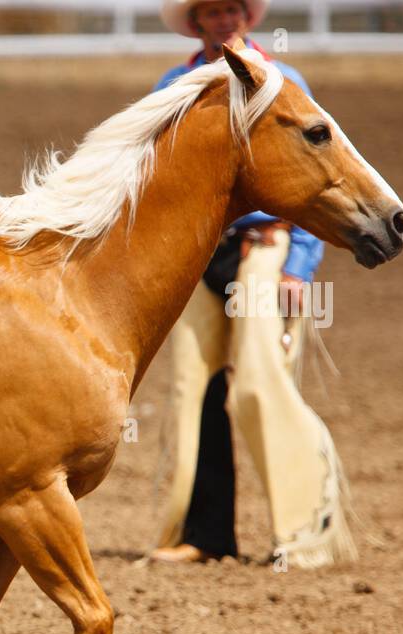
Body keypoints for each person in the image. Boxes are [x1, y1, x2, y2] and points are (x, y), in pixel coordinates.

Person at [148, 0, 355, 569]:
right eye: (212, 12)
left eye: (233, 9)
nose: (224, 20)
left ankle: (302, 533)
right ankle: (202, 533)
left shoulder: (283, 83)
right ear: (197, 24)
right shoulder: (175, 85)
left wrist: (300, 265)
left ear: (248, 18)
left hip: (264, 249)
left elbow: (320, 171)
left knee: (260, 383)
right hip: (198, 255)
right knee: (193, 388)